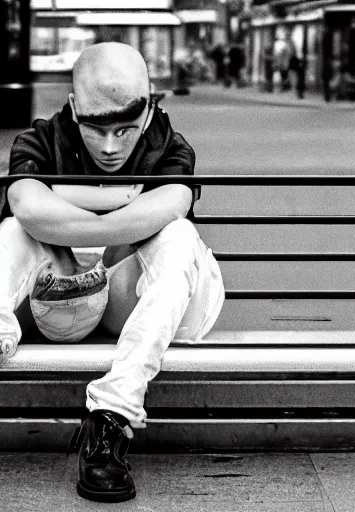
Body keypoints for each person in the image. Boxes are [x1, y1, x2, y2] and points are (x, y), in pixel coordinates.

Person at [0, 42, 225, 503]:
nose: (109, 147)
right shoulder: (39, 140)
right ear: (73, 107)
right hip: (53, 300)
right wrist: (122, 199)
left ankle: (111, 420)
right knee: (10, 231)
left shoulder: (171, 146)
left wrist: (62, 200)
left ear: (148, 110)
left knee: (178, 236)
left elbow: (170, 209)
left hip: (141, 303)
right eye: (95, 129)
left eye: (125, 131)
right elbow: (26, 210)